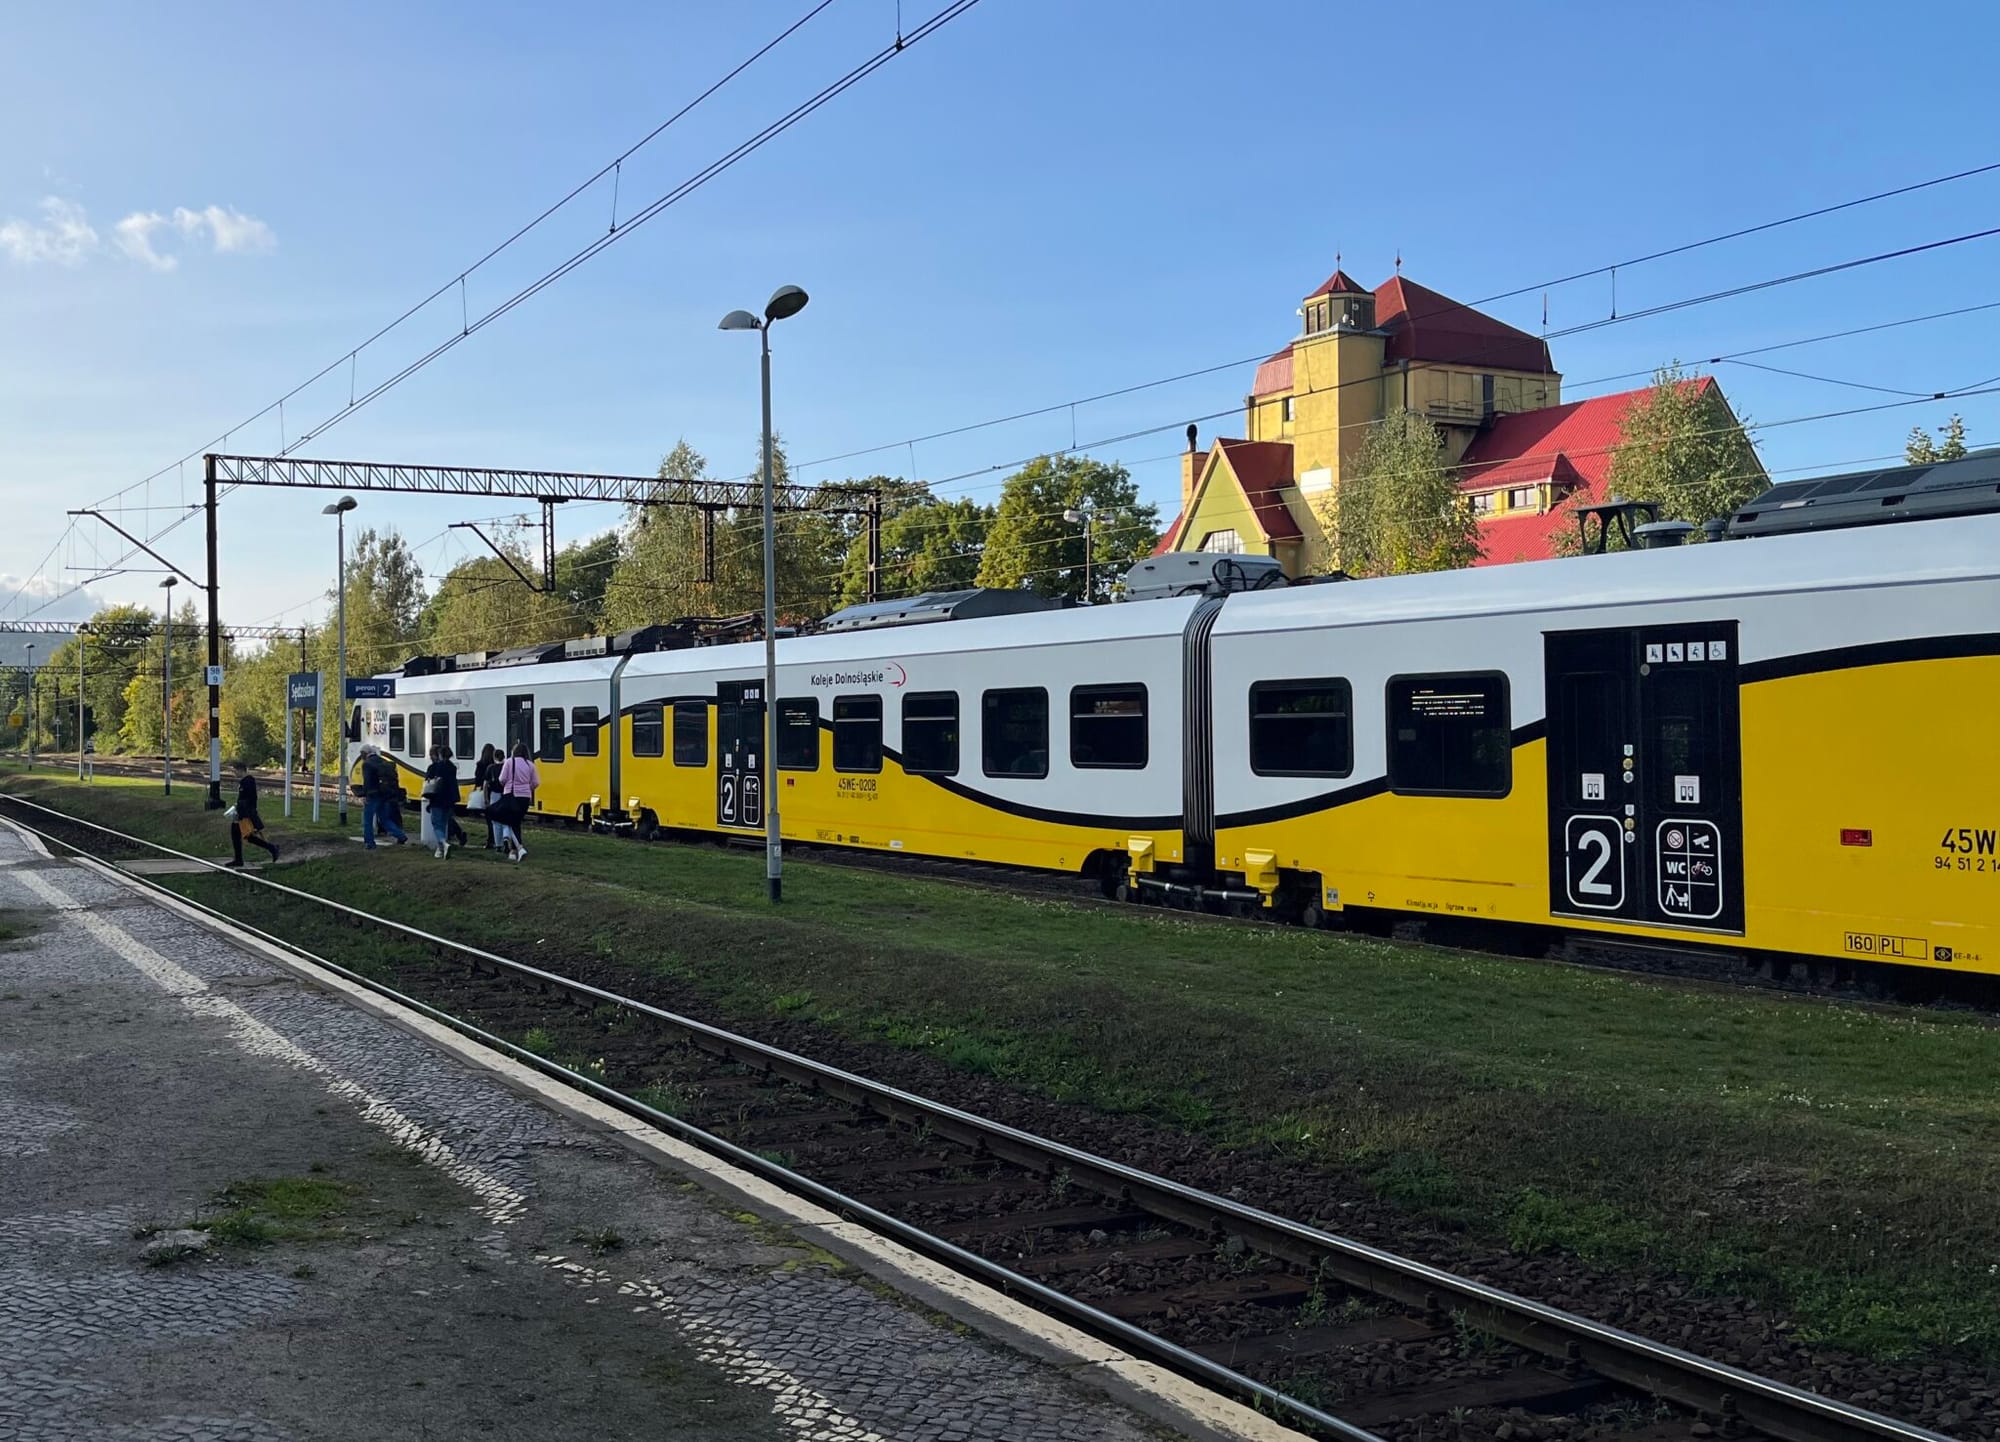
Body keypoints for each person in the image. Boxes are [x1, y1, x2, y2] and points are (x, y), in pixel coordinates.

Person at [226, 760, 280, 868]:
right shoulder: (244, 781)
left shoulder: (248, 782)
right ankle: (239, 858)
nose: (233, 773)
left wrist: (244, 812)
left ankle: (272, 848)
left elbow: (249, 799)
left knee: (247, 836)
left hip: (245, 814)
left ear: (240, 770)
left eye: (234, 771)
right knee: (240, 834)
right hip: (242, 812)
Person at [494, 740, 539, 863]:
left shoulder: (509, 762)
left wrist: (508, 785)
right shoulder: (530, 765)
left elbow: (502, 779)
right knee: (516, 822)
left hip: (511, 794)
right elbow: (536, 782)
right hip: (525, 797)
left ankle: (519, 848)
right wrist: (527, 788)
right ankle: (513, 851)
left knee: (510, 823)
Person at [359, 743, 409, 850]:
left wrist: (364, 794)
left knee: (368, 820)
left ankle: (369, 843)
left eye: (361, 754)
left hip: (373, 795)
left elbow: (367, 781)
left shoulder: (367, 764)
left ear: (364, 753)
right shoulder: (384, 761)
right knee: (384, 819)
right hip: (385, 795)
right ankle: (401, 836)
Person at [420, 743, 460, 859]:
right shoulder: (452, 767)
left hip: (437, 799)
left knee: (437, 824)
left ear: (439, 755)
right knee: (443, 823)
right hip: (449, 800)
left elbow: (428, 781)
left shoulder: (434, 767)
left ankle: (443, 843)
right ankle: (440, 850)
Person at [471, 743, 501, 850]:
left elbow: (477, 780)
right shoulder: (495, 766)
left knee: (489, 819)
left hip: (484, 793)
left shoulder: (480, 764)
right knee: (496, 819)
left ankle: (490, 841)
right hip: (494, 793)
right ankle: (497, 840)